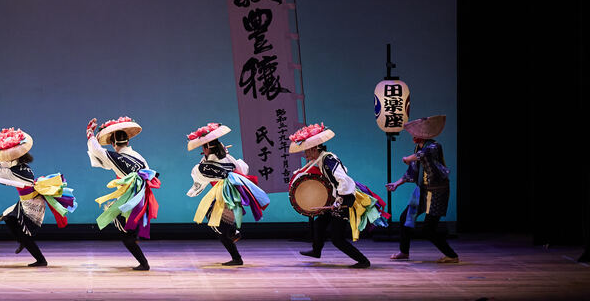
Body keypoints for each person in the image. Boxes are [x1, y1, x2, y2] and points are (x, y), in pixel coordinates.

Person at [0, 128, 76, 266]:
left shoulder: (15, 172)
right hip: (27, 200)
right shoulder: (21, 165)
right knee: (9, 219)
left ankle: (40, 259)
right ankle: (22, 241)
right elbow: (1, 165)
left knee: (23, 232)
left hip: (33, 204)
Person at [289, 123, 386, 268]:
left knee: (337, 238)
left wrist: (339, 201)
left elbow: (344, 179)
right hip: (340, 198)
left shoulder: (328, 159)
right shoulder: (321, 159)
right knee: (319, 223)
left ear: (315, 148)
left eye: (307, 150)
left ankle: (363, 261)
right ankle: (316, 250)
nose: (305, 154)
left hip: (345, 199)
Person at [186, 122, 270, 266]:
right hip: (232, 192)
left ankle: (234, 242)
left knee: (217, 224)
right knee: (217, 221)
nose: (202, 150)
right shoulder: (225, 157)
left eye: (203, 147)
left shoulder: (210, 161)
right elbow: (241, 168)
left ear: (207, 148)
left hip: (226, 193)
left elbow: (199, 172)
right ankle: (233, 235)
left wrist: (207, 162)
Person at [87, 116, 160, 271]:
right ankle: (138, 244)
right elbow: (148, 173)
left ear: (113, 143)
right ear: (127, 141)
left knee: (126, 237)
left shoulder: (116, 157)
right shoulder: (138, 156)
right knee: (128, 232)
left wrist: (90, 134)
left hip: (131, 201)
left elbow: (97, 151)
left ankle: (144, 263)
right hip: (142, 198)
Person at [385, 115, 459, 263]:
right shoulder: (417, 147)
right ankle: (404, 252)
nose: (413, 136)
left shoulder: (434, 146)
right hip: (422, 191)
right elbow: (412, 171)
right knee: (406, 218)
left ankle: (452, 255)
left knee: (428, 229)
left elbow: (423, 155)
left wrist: (408, 158)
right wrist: (397, 183)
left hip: (437, 192)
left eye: (415, 134)